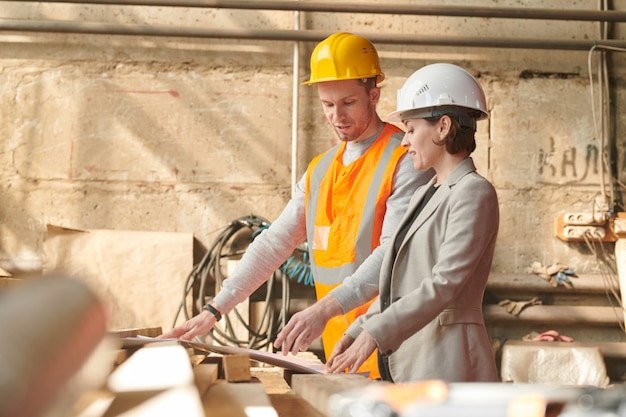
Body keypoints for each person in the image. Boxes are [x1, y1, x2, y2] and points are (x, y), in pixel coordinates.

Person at [160, 32, 433, 378]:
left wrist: (321, 311)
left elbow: (393, 255)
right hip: (343, 352)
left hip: (394, 349)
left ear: (373, 95)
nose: (337, 116)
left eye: (348, 102)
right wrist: (216, 308)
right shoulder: (320, 170)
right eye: (327, 104)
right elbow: (275, 242)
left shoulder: (404, 158)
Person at [325, 63, 500, 383]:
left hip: (451, 362)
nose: (404, 142)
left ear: (443, 126)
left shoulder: (475, 193)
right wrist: (358, 329)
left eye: (410, 129)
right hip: (416, 361)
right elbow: (401, 285)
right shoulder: (424, 194)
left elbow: (444, 283)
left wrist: (375, 334)